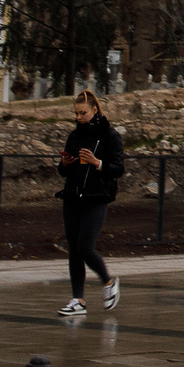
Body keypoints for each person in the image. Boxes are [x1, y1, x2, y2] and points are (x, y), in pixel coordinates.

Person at [56, 88, 124, 317]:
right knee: (74, 250)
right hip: (72, 197)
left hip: (96, 197)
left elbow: (118, 168)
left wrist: (97, 163)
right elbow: (62, 171)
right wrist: (64, 164)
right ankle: (78, 300)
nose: (78, 117)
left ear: (95, 110)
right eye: (76, 113)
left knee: (85, 247)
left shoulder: (110, 136)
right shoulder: (74, 136)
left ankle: (108, 282)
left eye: (83, 113)